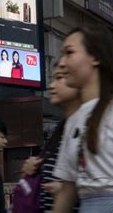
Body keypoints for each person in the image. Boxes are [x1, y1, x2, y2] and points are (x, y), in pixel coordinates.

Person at [53, 26, 113, 212]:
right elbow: (67, 189)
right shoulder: (73, 120)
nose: (62, 63)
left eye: (69, 53)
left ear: (95, 58)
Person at [17, 64, 81, 212]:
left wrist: (68, 191)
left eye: (59, 78)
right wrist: (33, 168)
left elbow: (105, 185)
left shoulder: (87, 126)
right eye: (52, 79)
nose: (51, 86)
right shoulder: (59, 129)